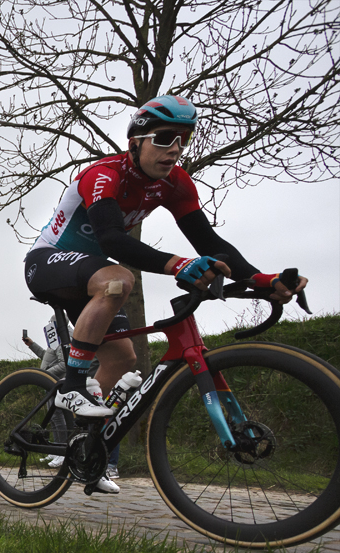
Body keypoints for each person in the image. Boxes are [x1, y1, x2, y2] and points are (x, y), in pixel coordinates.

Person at [25, 94, 307, 422]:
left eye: (182, 139)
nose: (174, 149)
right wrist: (179, 264)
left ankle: (82, 445)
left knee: (121, 359)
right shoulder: (104, 175)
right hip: (48, 260)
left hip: (90, 278)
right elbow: (112, 239)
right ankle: (71, 386)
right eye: (162, 138)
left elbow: (209, 241)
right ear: (135, 143)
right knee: (118, 279)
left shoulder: (175, 184)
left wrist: (261, 280)